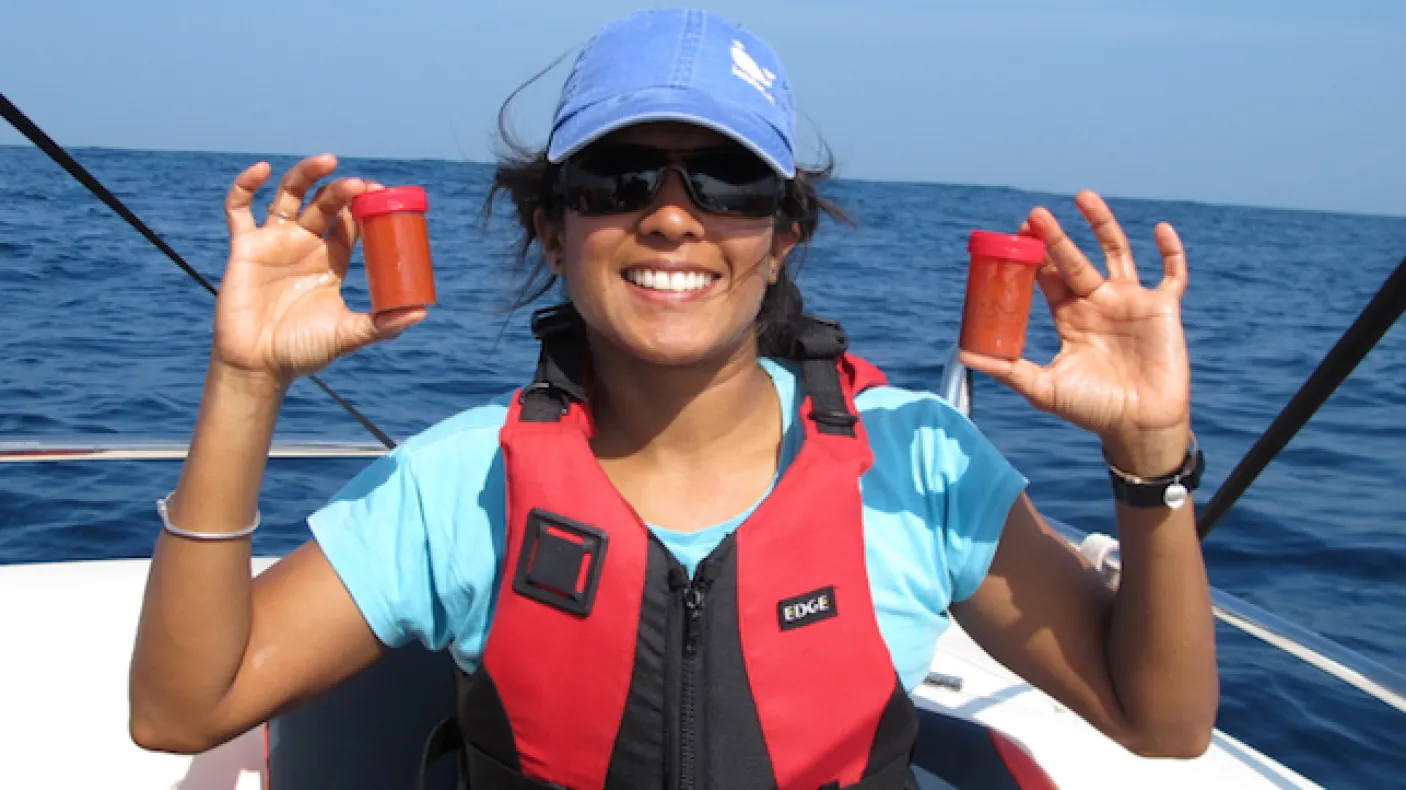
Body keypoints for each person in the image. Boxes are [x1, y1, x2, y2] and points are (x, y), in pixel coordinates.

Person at [128, 7, 1218, 788]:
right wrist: (245, 378)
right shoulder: (461, 483)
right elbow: (183, 705)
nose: (670, 216)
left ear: (784, 233)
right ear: (552, 227)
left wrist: (1147, 450)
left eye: (730, 182)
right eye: (617, 177)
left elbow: (1159, 722)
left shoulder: (919, 469)